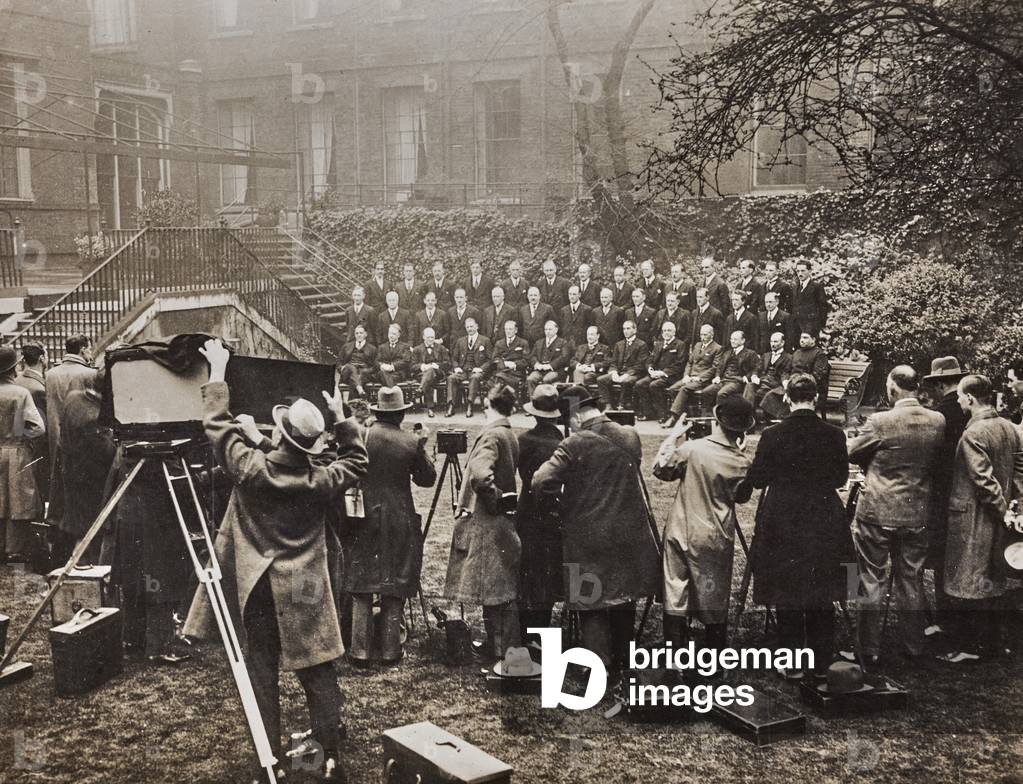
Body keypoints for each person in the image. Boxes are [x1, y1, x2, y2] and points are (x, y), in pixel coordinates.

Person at [184, 339, 367, 782]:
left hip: (258, 587)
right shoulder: (321, 478)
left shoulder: (251, 468)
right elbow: (356, 459)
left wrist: (218, 372)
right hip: (306, 587)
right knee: (318, 668)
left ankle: (269, 760)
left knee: (261, 669)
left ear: (280, 435)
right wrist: (341, 417)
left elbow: (216, 425)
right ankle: (329, 756)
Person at [533, 385, 660, 681]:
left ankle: (597, 665)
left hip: (587, 534)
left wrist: (560, 504)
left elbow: (541, 480)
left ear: (576, 417)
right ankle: (623, 659)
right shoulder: (630, 435)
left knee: (590, 600)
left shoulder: (574, 442)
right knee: (623, 594)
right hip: (628, 532)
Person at [746, 373, 850, 678]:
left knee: (787, 587)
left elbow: (758, 479)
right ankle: (820, 661)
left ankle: (792, 662)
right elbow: (840, 478)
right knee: (822, 588)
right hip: (823, 516)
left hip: (783, 517)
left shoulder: (772, 435)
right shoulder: (834, 434)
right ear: (815, 398)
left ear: (787, 398)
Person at [848, 366, 945, 667]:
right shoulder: (937, 420)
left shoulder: (880, 421)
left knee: (871, 578)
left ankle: (868, 649)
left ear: (892, 390)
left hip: (878, 511)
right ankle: (913, 645)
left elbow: (852, 452)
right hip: (916, 511)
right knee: (911, 579)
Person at [344, 387, 436, 667]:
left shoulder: (362, 436)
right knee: (395, 582)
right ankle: (390, 650)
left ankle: (359, 651)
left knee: (362, 582)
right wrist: (422, 445)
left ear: (378, 412)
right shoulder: (410, 442)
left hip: (363, 516)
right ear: (400, 414)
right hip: (399, 518)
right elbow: (427, 479)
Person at [654, 396, 755, 649]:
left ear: (717, 421)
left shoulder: (692, 449)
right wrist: (739, 456)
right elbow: (742, 496)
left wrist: (673, 437)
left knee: (675, 589)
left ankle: (675, 652)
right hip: (715, 534)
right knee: (714, 593)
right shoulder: (742, 462)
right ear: (742, 430)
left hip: (681, 528)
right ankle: (714, 651)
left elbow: (661, 469)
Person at [942, 374, 1023, 662]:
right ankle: (992, 642)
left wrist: (1003, 511)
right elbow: (1020, 471)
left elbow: (983, 480)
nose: (959, 402)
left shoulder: (973, 434)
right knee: (990, 576)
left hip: (974, 516)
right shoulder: (1009, 427)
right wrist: (1015, 507)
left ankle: (970, 647)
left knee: (969, 580)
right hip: (999, 514)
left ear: (970, 398)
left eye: (960, 397)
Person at [444, 383, 521, 660]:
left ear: (487, 404)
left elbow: (480, 475)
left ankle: (502, 648)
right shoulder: (508, 432)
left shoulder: (492, 434)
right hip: (500, 520)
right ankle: (498, 645)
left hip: (488, 519)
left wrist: (494, 500)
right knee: (497, 586)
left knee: (496, 589)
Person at [516, 385, 565, 647]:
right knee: (547, 571)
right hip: (553, 511)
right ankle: (539, 629)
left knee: (527, 569)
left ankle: (526, 630)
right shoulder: (561, 443)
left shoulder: (523, 440)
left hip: (527, 509)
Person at [923, 356, 969, 633]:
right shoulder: (969, 410)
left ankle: (946, 619)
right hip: (969, 492)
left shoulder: (940, 415)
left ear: (940, 384)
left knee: (942, 558)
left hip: (943, 493)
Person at [55, 367, 116, 565]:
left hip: (71, 472)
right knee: (89, 530)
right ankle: (79, 566)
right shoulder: (95, 416)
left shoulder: (72, 398)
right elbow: (108, 452)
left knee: (78, 525)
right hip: (91, 480)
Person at [44, 334, 95, 526]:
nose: (91, 353)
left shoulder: (51, 374)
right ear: (83, 349)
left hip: (55, 433)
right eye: (89, 348)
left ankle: (57, 521)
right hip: (79, 436)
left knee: (58, 480)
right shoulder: (88, 373)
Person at [0, 345, 45, 562]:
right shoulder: (20, 393)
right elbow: (38, 428)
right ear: (13, 368)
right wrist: (19, 433)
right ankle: (14, 550)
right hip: (16, 451)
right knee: (18, 501)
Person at [759, 332, 829, 420]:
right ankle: (778, 420)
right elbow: (786, 370)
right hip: (792, 383)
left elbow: (817, 375)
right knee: (771, 394)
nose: (802, 340)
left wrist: (796, 382)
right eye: (801, 338)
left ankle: (787, 420)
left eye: (805, 338)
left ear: (813, 340)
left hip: (809, 386)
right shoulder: (797, 353)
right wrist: (785, 381)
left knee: (779, 395)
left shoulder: (819, 354)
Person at [664, 324, 722, 428]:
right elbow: (689, 363)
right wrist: (686, 375)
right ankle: (683, 415)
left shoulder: (717, 348)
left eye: (705, 335)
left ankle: (674, 417)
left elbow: (714, 368)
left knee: (684, 389)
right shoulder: (697, 345)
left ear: (712, 335)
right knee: (672, 389)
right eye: (701, 334)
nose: (702, 337)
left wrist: (699, 378)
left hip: (703, 380)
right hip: (690, 377)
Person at [14, 342, 48, 507]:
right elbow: (43, 424)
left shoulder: (16, 381)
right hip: (36, 445)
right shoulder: (39, 388)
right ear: (42, 358)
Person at [634, 321, 687, 422]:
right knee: (639, 384)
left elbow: (679, 364)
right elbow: (650, 359)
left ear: (674, 332)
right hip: (655, 374)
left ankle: (663, 414)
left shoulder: (680, 344)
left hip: (671, 376)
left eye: (669, 330)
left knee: (654, 385)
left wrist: (662, 373)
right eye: (664, 331)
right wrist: (650, 369)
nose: (666, 333)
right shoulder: (659, 344)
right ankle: (648, 413)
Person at [596, 319, 649, 410]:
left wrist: (626, 374)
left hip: (634, 374)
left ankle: (622, 405)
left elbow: (640, 365)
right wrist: (614, 372)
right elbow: (613, 362)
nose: (625, 331)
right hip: (619, 372)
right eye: (624, 329)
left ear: (635, 330)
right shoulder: (619, 344)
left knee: (626, 381)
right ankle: (608, 405)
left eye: (628, 328)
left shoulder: (642, 345)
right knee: (601, 380)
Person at [446, 317, 491, 417]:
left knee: (474, 378)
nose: (469, 329)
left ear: (477, 327)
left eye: (471, 326)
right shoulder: (460, 341)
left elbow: (489, 360)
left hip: (477, 370)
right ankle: (451, 406)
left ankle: (470, 405)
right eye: (467, 327)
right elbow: (454, 358)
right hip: (463, 370)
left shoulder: (485, 340)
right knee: (451, 378)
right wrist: (456, 367)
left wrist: (481, 368)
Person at [701, 330, 758, 406]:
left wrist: (746, 377)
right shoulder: (727, 352)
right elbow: (719, 367)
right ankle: (709, 413)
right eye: (731, 339)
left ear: (743, 340)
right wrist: (717, 376)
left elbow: (755, 369)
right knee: (706, 392)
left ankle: (721, 413)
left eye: (735, 339)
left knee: (721, 394)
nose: (732, 341)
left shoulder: (750, 353)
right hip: (723, 380)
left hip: (737, 382)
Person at [751, 332, 792, 417]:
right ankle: (749, 414)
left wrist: (785, 383)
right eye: (771, 341)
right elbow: (757, 369)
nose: (772, 344)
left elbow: (786, 373)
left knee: (766, 394)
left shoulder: (788, 357)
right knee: (749, 386)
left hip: (776, 385)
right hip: (762, 382)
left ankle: (764, 418)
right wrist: (754, 376)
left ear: (782, 342)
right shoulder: (766, 355)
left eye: (775, 341)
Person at [411, 328, 450, 417]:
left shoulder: (441, 348)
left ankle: (421, 390)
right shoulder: (417, 349)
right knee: (429, 378)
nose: (430, 339)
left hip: (438, 374)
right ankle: (430, 409)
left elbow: (448, 363)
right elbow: (412, 366)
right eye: (428, 337)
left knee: (431, 371)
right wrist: (422, 366)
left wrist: (436, 365)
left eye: (432, 337)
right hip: (422, 375)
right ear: (423, 337)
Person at [526, 320, 571, 395]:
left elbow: (564, 358)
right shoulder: (539, 342)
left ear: (556, 330)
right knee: (530, 379)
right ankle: (534, 400)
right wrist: (536, 364)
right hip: (540, 370)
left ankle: (546, 401)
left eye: (550, 329)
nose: (547, 331)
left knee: (546, 379)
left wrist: (550, 366)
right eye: (546, 329)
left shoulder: (563, 342)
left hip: (555, 371)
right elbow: (532, 356)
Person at [336, 325, 377, 399]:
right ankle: (360, 390)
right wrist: (341, 368)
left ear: (365, 334)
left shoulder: (372, 348)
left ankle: (354, 402)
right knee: (351, 367)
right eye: (357, 333)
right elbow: (338, 362)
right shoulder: (346, 346)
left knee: (356, 378)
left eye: (361, 333)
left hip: (363, 374)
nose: (359, 335)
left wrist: (367, 371)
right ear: (354, 335)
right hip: (347, 372)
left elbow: (375, 366)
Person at [792, 260, 829, 337]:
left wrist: (819, 327)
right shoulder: (795, 288)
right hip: (796, 327)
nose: (800, 273)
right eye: (798, 271)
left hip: (811, 327)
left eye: (803, 271)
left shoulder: (817, 287)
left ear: (809, 271)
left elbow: (823, 308)